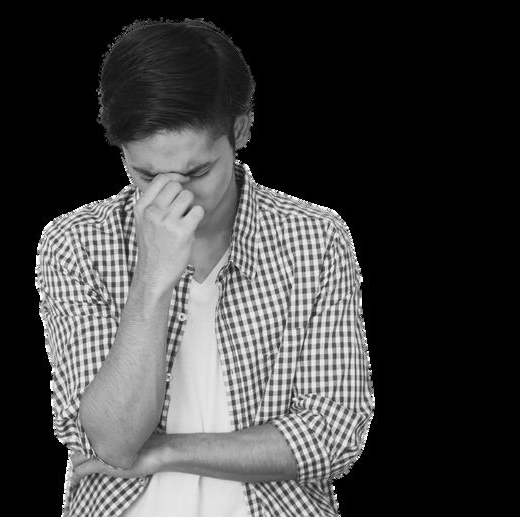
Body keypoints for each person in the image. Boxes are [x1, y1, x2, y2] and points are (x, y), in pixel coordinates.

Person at [35, 17, 374, 517]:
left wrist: (167, 452)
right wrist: (152, 279)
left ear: (241, 129)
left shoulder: (314, 238)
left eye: (196, 171)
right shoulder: (76, 242)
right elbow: (112, 442)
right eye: (146, 174)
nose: (173, 196)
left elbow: (333, 436)